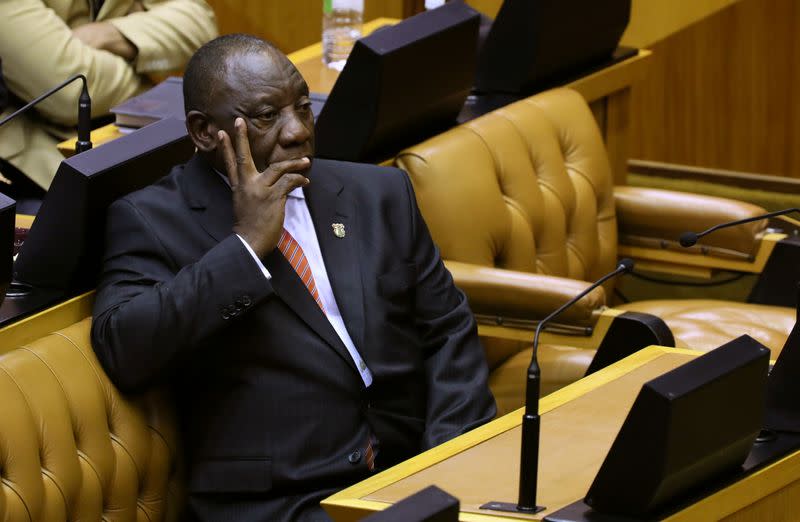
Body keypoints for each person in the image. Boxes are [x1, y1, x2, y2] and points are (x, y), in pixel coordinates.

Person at [91, 34, 496, 521]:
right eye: (266, 116)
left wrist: (447, 461)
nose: (297, 131)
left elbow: (448, 330)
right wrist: (244, 248)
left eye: (303, 107)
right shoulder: (152, 219)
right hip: (283, 501)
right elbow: (126, 348)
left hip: (414, 469)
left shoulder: (377, 193)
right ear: (202, 131)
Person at [0, 0, 217, 193]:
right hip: (31, 165)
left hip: (135, 141)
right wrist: (149, 76)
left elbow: (201, 25)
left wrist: (109, 33)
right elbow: (68, 91)